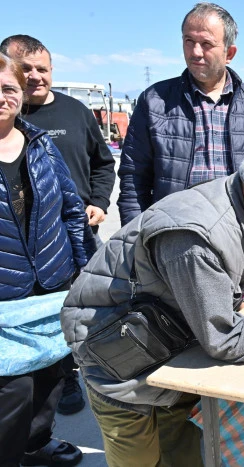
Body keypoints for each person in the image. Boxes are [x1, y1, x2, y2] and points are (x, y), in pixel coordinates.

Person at [61, 138, 244, 466]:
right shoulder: (197, 238)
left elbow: (236, 289)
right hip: (117, 360)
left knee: (184, 456)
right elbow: (222, 337)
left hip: (173, 350)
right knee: (139, 461)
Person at [1, 34, 116, 417]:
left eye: (42, 69)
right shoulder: (14, 120)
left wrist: (98, 202)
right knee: (15, 371)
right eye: (26, 70)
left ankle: (66, 380)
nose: (35, 76)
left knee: (63, 326)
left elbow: (103, 163)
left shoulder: (73, 114)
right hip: (12, 261)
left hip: (67, 242)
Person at [0, 52, 93, 467]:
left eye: (8, 89)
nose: (2, 98)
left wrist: (85, 271)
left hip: (53, 283)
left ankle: (36, 445)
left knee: (51, 374)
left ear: (21, 94)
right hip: (5, 297)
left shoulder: (40, 144)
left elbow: (71, 209)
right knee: (13, 389)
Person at [116, 1, 244, 227]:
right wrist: (137, 238)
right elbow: (133, 180)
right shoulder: (154, 102)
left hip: (239, 236)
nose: (195, 52)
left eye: (206, 44)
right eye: (189, 41)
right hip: (170, 234)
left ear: (229, 53)